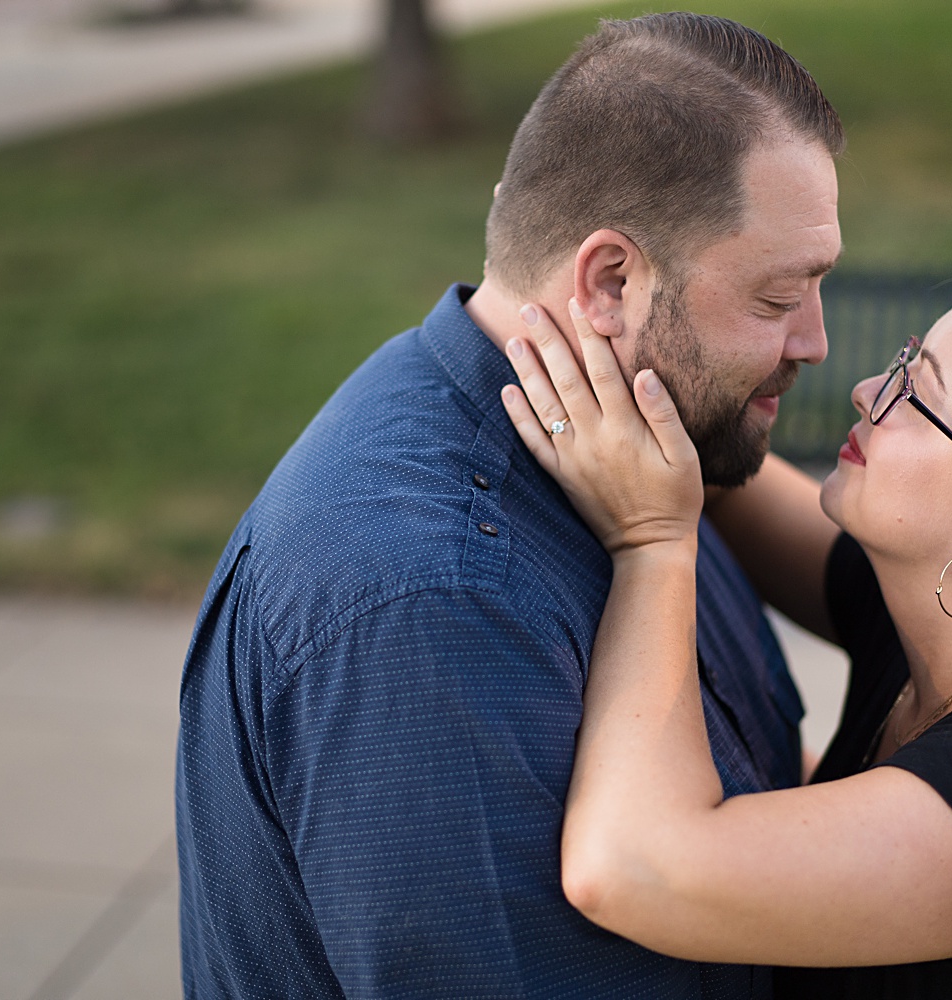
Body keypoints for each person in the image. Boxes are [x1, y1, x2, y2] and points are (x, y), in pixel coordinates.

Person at [176, 13, 845, 998]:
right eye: (781, 296)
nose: (815, 342)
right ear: (610, 281)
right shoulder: (435, 602)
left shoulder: (650, 453)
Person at [499, 257, 952, 998]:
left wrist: (652, 544)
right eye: (904, 359)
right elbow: (701, 475)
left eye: (916, 393)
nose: (869, 390)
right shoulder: (940, 624)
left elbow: (630, 867)